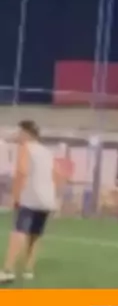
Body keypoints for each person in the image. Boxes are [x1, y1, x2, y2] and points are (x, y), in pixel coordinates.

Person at [0, 120, 60, 284]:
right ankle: (28, 270)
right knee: (36, 234)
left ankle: (8, 270)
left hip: (30, 196)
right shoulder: (47, 151)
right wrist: (54, 196)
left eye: (19, 132)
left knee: (19, 231)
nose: (17, 135)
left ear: (26, 133)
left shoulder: (26, 148)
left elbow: (22, 172)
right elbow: (56, 174)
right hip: (47, 198)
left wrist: (15, 196)